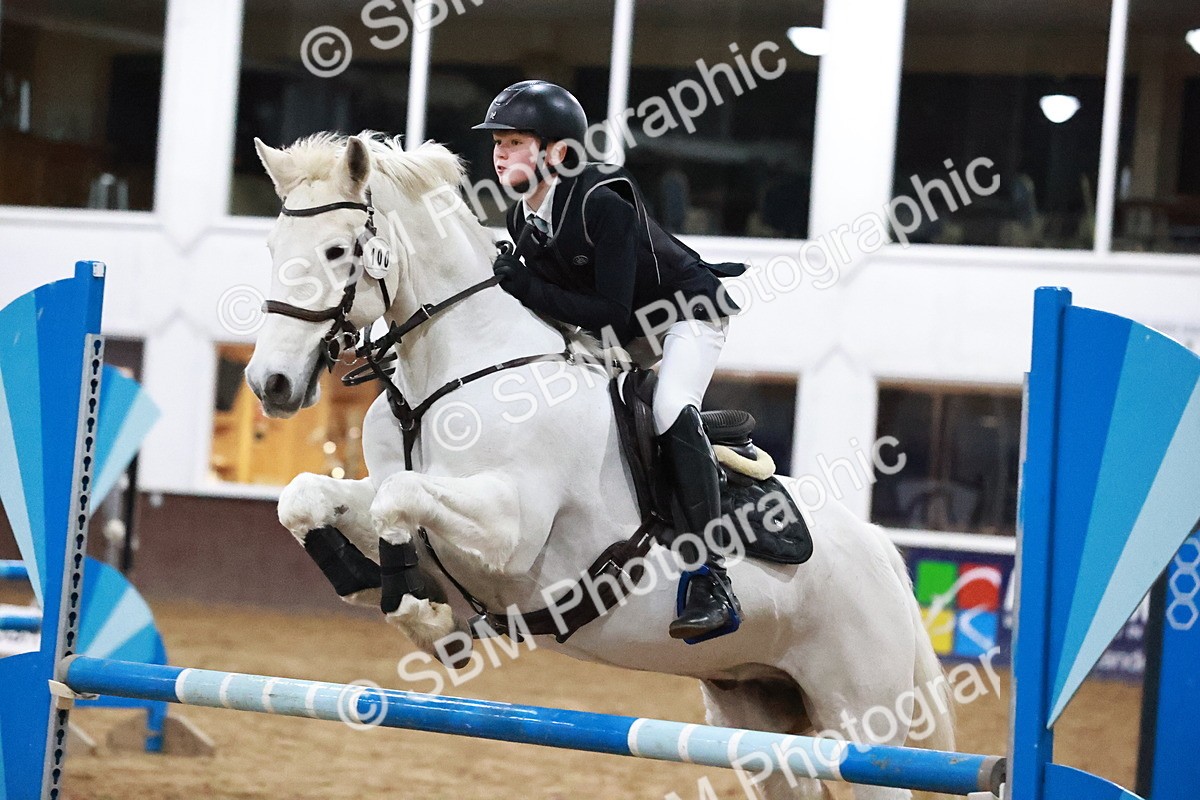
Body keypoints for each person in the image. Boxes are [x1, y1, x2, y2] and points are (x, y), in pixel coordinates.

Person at [473, 80, 747, 641]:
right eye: (497, 142)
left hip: (685, 316)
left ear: (558, 152)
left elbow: (608, 314)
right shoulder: (524, 218)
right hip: (624, 330)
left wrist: (524, 286)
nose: (500, 154)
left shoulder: (603, 202)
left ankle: (711, 577)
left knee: (670, 408)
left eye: (515, 141)